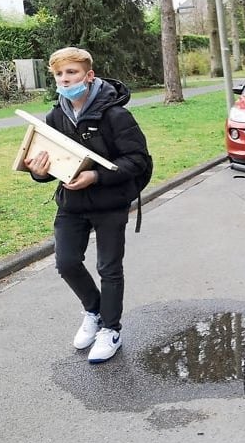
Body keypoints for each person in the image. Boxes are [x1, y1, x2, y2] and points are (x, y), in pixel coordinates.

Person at [24, 47, 151, 363]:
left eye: (72, 73)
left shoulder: (115, 115)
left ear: (89, 75)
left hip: (110, 202)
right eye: (59, 75)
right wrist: (38, 172)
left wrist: (95, 176)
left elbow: (137, 160)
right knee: (66, 263)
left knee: (109, 267)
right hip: (72, 203)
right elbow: (51, 164)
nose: (66, 80)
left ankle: (111, 329)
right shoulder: (55, 116)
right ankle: (94, 310)